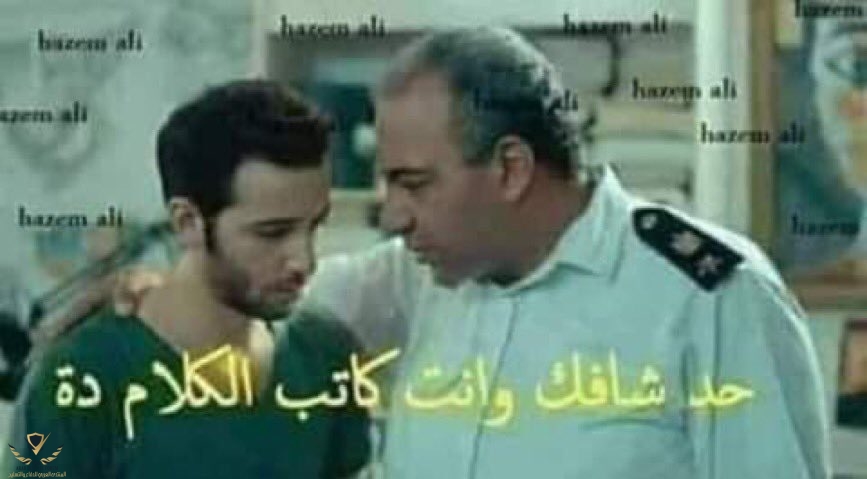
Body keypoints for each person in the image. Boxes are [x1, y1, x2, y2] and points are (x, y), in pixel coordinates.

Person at [38, 28, 831, 478]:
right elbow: (254, 297)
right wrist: (152, 285)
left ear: (510, 169)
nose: (392, 214)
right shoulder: (421, 274)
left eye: (413, 182)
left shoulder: (710, 299)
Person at [2, 80, 371, 478]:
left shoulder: (327, 356)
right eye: (272, 233)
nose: (305, 261)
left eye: (314, 227)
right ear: (188, 223)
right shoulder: (79, 379)